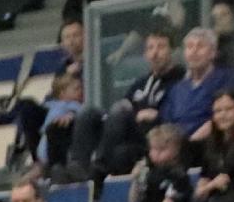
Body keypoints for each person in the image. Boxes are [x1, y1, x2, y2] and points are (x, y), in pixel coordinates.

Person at [77, 28, 180, 181]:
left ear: (173, 51)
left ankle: (99, 168)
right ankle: (80, 170)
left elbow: (177, 114)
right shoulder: (141, 82)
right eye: (150, 48)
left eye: (161, 47)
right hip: (129, 132)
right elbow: (126, 104)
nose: (155, 53)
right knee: (88, 114)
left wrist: (158, 114)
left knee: (121, 119)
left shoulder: (179, 80)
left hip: (153, 134)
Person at [159, 28, 234, 148]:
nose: (194, 51)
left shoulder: (227, 78)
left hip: (210, 144)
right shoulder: (176, 89)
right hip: (178, 146)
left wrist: (191, 144)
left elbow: (223, 117)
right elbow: (167, 124)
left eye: (200, 46)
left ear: (213, 53)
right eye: (189, 47)